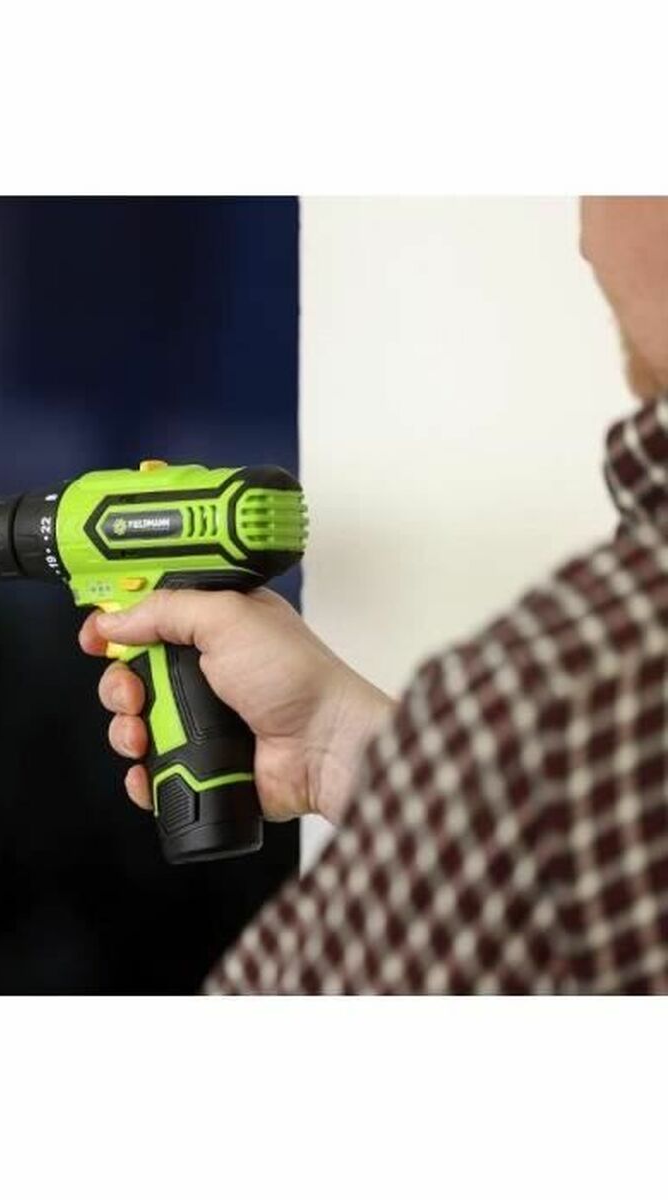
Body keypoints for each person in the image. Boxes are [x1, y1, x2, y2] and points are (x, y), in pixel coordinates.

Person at [79, 197, 668, 993]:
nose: (585, 237)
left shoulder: (566, 704)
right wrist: (334, 742)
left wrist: (451, 760)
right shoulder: (565, 732)